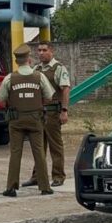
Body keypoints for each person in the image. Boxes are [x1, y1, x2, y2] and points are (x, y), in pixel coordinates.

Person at [0, 43, 55, 197]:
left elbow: (0, 100)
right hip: (35, 119)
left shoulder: (10, 78)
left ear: (16, 61)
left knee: (15, 153)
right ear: (29, 59)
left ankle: (11, 187)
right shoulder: (39, 76)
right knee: (39, 152)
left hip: (16, 120)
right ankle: (45, 187)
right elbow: (49, 97)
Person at [21, 42, 71, 188]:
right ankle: (37, 176)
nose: (41, 53)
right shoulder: (36, 69)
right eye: (39, 50)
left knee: (55, 146)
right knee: (38, 146)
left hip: (52, 112)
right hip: (38, 113)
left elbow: (65, 89)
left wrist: (64, 111)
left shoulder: (58, 68)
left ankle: (58, 176)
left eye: (44, 50)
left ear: (51, 51)